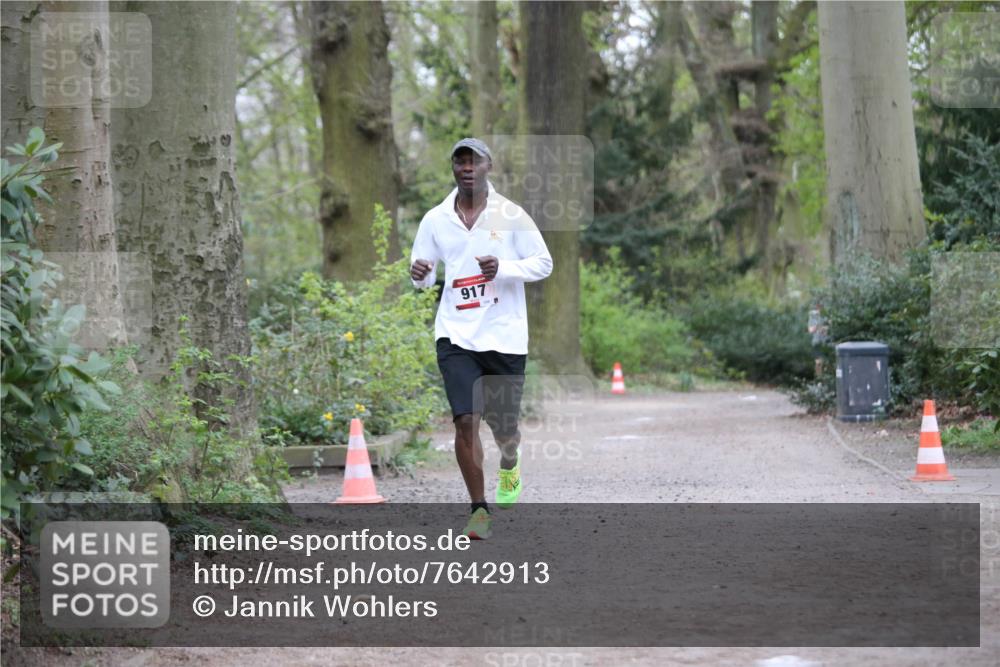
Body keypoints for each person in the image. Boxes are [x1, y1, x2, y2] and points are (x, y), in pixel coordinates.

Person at [410, 138, 553, 539]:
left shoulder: (510, 214)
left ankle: (510, 461)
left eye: (475, 161)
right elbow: (423, 278)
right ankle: (478, 510)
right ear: (453, 169)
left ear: (489, 166)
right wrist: (420, 274)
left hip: (504, 335)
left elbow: (544, 263)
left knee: (503, 426)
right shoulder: (435, 219)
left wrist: (503, 268)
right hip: (455, 332)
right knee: (465, 420)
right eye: (460, 161)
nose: (467, 167)